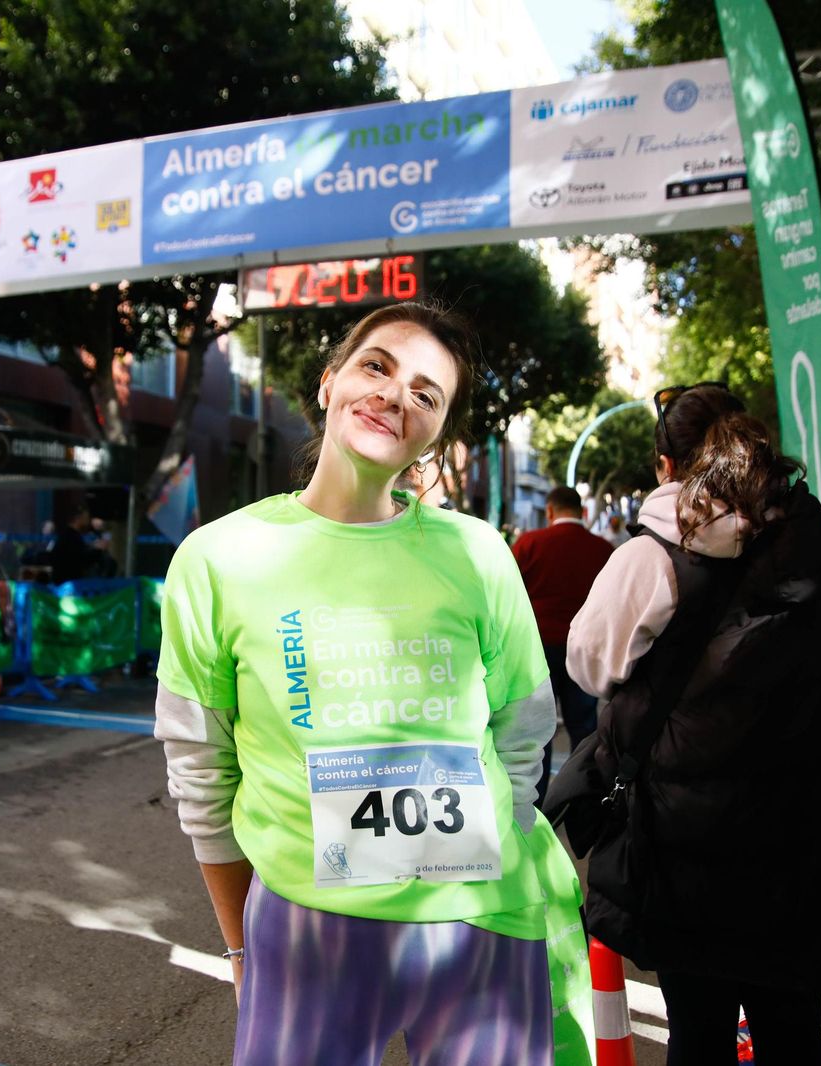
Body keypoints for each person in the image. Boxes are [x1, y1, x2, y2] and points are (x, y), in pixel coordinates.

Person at [153, 302, 564, 1065]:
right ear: (328, 381)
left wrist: (485, 855)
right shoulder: (216, 559)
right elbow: (201, 773)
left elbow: (523, 731)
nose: (393, 395)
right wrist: (243, 949)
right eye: (376, 366)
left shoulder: (478, 554)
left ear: (436, 433)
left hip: (482, 928)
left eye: (425, 393)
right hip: (307, 932)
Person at [563, 384, 821, 1065]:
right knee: (794, 1032)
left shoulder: (650, 559)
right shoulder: (813, 551)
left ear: (664, 467)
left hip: (689, 846)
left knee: (700, 1033)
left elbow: (590, 667)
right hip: (804, 836)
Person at [511, 484, 612, 799]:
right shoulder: (603, 550)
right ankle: (583, 802)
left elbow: (508, 594)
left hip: (537, 649)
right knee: (584, 730)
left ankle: (536, 806)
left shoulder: (529, 544)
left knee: (537, 735)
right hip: (583, 648)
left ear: (550, 511)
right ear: (582, 512)